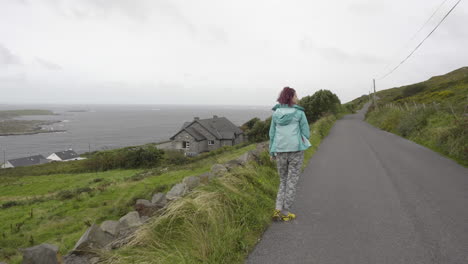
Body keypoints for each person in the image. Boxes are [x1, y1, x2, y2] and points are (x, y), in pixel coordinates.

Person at [269, 86, 311, 221]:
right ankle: (286, 213)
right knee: (291, 181)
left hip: (280, 150)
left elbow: (272, 134)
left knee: (283, 180)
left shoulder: (275, 114)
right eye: (295, 95)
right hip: (296, 150)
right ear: (290, 97)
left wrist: (272, 150)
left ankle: (277, 209)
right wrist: (302, 140)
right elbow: (306, 132)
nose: (297, 98)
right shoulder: (299, 113)